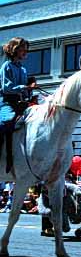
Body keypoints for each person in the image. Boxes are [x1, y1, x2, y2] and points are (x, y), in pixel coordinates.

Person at [0, 37, 36, 172]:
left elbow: (25, 91)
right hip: (7, 102)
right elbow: (6, 88)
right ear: (15, 49)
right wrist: (24, 87)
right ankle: (5, 157)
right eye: (23, 49)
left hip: (21, 102)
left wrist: (30, 91)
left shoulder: (23, 70)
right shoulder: (6, 66)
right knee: (6, 121)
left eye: (27, 49)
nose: (26, 52)